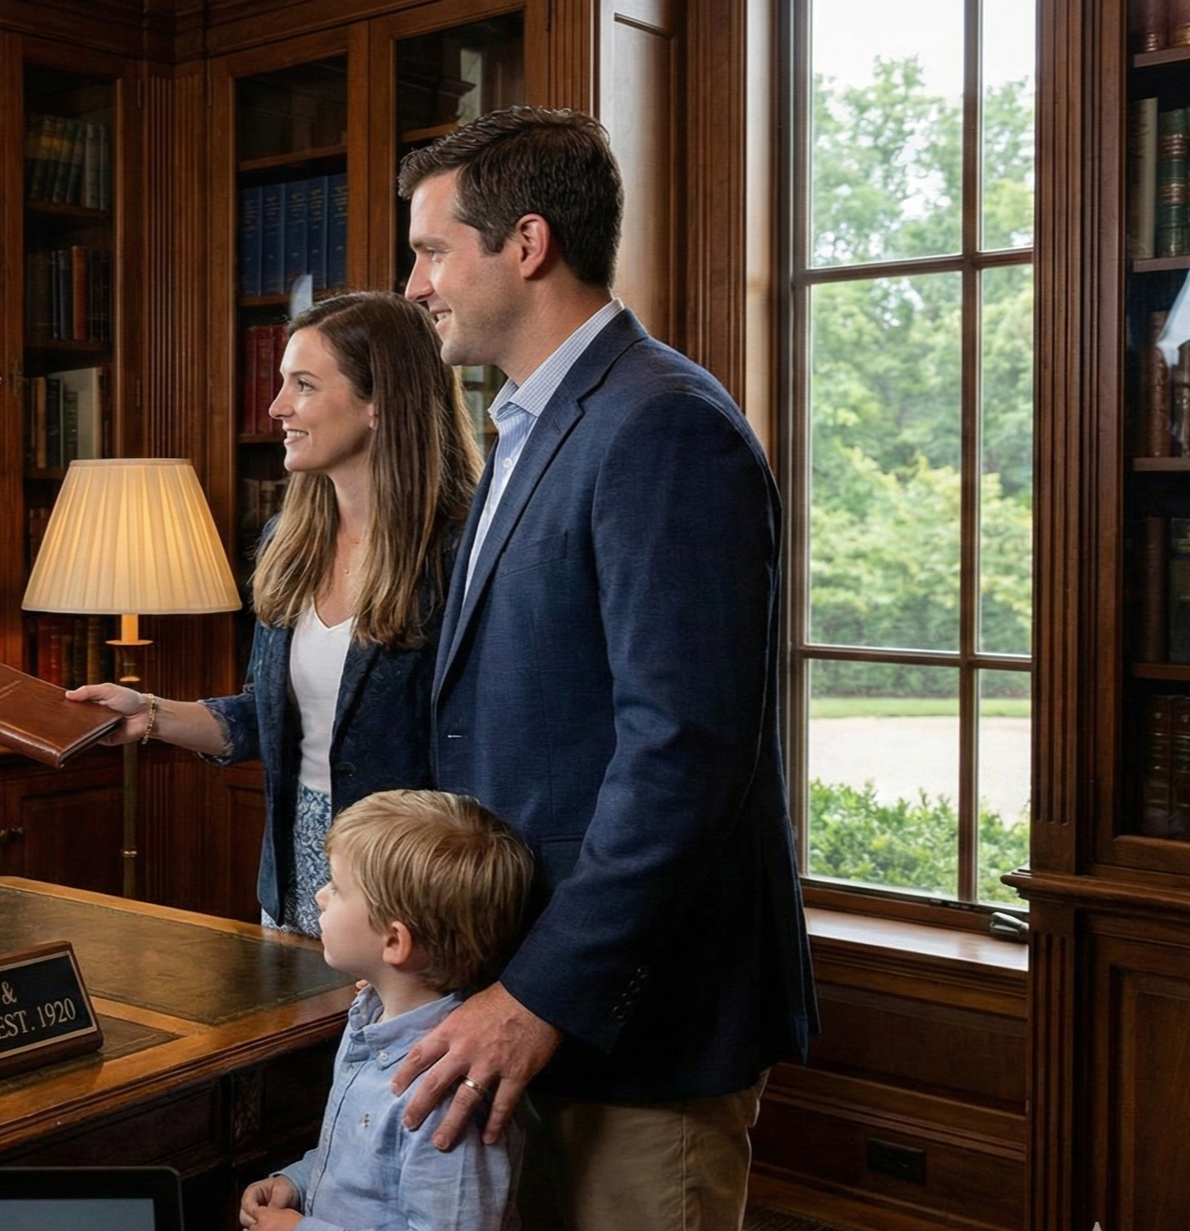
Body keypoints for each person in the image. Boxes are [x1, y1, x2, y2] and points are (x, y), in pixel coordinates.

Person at [388, 107, 816, 1231]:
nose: (414, 282)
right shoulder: (531, 423)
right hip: (529, 994)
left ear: (526, 245)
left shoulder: (663, 425)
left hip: (637, 1023)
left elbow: (684, 755)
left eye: (433, 250)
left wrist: (538, 994)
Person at [70, 291, 480, 934]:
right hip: (289, 880)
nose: (276, 407)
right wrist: (148, 716)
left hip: (409, 899)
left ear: (380, 404)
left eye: (304, 385)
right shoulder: (287, 541)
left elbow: (479, 761)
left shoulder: (463, 552)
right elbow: (266, 717)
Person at [239, 789, 535, 1231]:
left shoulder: (441, 1093)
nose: (321, 897)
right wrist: (298, 1181)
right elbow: (365, 1163)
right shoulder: (369, 1017)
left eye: (337, 888)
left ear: (394, 942)